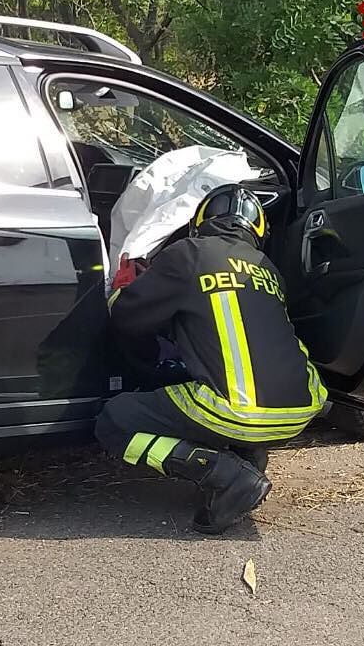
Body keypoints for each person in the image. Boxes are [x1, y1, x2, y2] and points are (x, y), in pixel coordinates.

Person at [95, 184, 327, 533]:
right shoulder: (268, 269)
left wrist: (123, 288)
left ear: (200, 221)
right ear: (259, 230)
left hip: (239, 410)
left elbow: (127, 317)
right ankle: (247, 454)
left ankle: (227, 475)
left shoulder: (188, 254)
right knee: (203, 382)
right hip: (299, 410)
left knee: (114, 422)